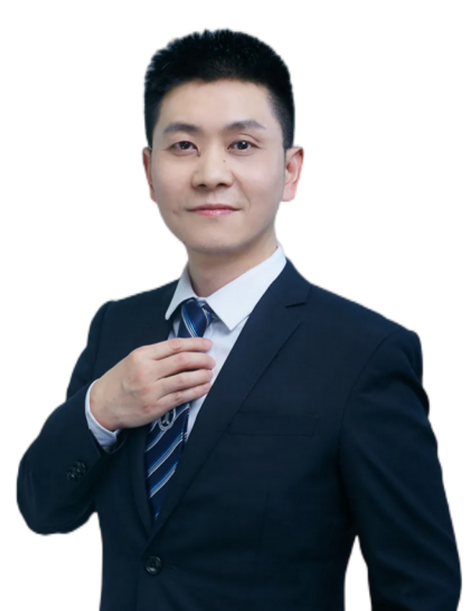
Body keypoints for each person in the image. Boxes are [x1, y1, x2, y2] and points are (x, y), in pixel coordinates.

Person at [16, 27, 462, 611]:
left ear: (292, 168)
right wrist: (102, 408)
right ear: (148, 169)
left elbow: (420, 590)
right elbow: (45, 510)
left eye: (242, 145)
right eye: (183, 146)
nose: (211, 173)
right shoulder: (117, 326)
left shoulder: (363, 353)